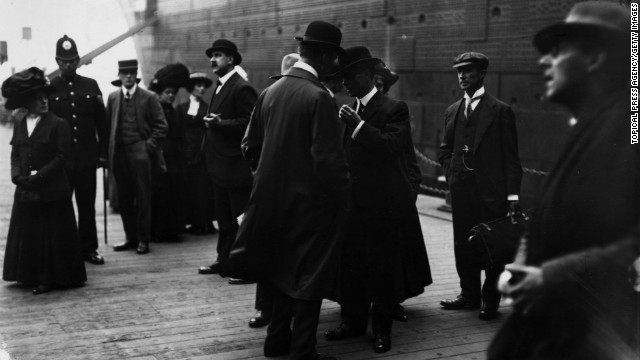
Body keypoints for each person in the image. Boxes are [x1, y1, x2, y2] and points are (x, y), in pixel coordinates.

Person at [488, 2, 639, 359]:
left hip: (592, 333)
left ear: (595, 58)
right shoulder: (588, 123)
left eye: (556, 52)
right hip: (551, 326)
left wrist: (553, 276)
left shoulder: (628, 129)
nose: (543, 62)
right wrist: (525, 264)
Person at [229, 21, 350, 360]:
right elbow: (328, 163)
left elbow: (249, 145)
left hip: (270, 202)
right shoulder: (318, 97)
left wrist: (268, 177)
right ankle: (303, 350)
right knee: (309, 277)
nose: (336, 66)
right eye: (334, 59)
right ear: (324, 57)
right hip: (310, 207)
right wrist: (343, 200)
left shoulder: (271, 92)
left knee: (278, 271)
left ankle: (276, 341)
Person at [323, 47, 432, 353]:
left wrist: (359, 126)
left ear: (369, 76)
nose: (345, 82)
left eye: (350, 76)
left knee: (382, 270)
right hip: (353, 207)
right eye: (342, 77)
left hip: (383, 208)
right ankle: (352, 322)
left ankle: (382, 330)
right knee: (352, 267)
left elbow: (393, 146)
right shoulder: (349, 108)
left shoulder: (394, 108)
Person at [438, 51, 522, 320]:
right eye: (459, 71)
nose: (462, 75)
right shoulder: (453, 111)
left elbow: (511, 159)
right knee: (463, 243)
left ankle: (490, 300)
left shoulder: (500, 111)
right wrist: (452, 175)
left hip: (491, 195)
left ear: (482, 73)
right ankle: (468, 295)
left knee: (492, 247)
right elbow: (444, 150)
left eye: (469, 71)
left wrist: (511, 196)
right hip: (461, 192)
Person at [1, 67, 87, 295]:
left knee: (50, 235)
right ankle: (28, 275)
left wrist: (40, 176)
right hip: (27, 189)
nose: (43, 101)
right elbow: (16, 152)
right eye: (37, 98)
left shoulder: (58, 124)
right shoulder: (20, 122)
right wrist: (17, 176)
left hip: (52, 191)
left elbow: (63, 158)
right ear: (26, 101)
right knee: (30, 233)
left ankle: (49, 278)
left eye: (44, 97)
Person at [196, 39, 257, 285]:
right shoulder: (221, 86)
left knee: (240, 221)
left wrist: (220, 124)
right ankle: (224, 261)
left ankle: (245, 268)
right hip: (220, 168)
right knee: (224, 220)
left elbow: (251, 124)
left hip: (235, 169)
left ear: (231, 59)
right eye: (211, 56)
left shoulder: (241, 87)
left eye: (218, 55)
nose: (212, 60)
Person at [48, 35, 108, 265]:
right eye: (63, 61)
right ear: (57, 61)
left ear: (78, 60)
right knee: (62, 207)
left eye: (72, 60)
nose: (68, 64)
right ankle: (66, 250)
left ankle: (89, 249)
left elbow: (102, 124)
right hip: (61, 162)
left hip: (86, 159)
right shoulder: (50, 88)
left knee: (86, 206)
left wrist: (103, 154)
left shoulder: (91, 85)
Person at [106, 59, 167, 255]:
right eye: (125, 73)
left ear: (136, 75)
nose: (129, 76)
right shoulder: (113, 98)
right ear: (119, 76)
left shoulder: (149, 97)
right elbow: (108, 128)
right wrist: (105, 155)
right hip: (120, 155)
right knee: (123, 198)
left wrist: (148, 147)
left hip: (141, 155)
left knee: (142, 198)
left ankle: (143, 240)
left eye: (132, 72)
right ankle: (130, 238)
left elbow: (161, 126)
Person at [148, 63, 190, 242]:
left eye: (173, 93)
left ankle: (173, 229)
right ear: (160, 93)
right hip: (160, 156)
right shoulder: (155, 111)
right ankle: (159, 231)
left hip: (174, 157)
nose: (171, 96)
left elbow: (179, 134)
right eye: (167, 92)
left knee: (173, 193)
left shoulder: (174, 111)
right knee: (160, 193)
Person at [176, 72, 217, 235]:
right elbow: (177, 132)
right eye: (198, 85)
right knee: (189, 187)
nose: (202, 89)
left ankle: (205, 222)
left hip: (203, 153)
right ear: (191, 88)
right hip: (186, 153)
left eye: (204, 86)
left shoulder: (209, 108)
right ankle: (193, 221)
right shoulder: (181, 108)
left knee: (203, 188)